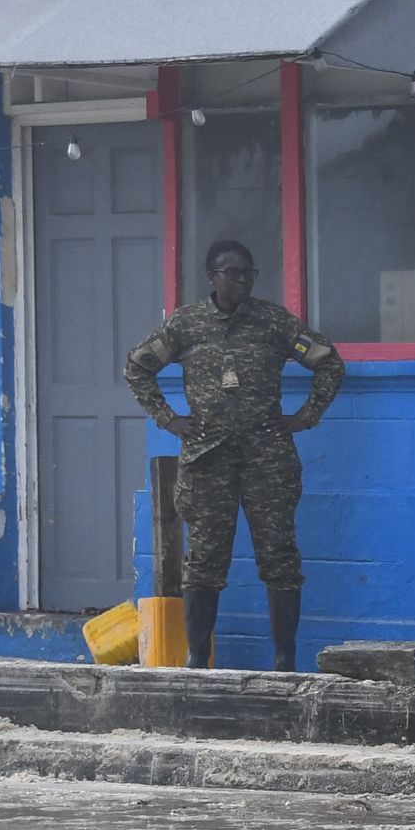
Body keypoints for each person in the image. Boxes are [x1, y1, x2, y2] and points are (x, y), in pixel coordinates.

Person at [122, 238, 345, 670]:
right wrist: (170, 420)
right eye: (231, 273)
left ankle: (284, 661)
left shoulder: (273, 323)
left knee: (279, 556)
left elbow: (329, 363)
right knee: (204, 560)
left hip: (268, 458)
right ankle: (196, 658)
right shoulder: (186, 326)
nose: (241, 280)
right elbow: (137, 366)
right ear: (212, 277)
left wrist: (305, 417)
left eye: (248, 273)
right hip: (207, 459)